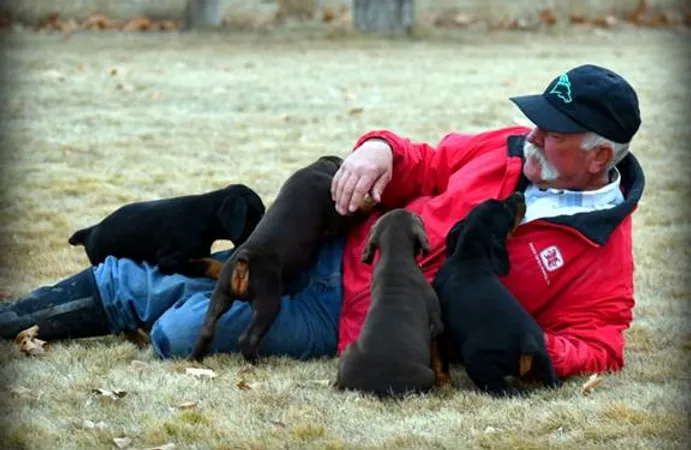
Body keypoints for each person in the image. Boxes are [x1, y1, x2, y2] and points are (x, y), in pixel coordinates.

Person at [0, 64, 644, 379]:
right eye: (534, 119)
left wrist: (522, 346)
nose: (531, 134)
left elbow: (601, 343)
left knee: (179, 328)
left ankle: (130, 289)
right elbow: (421, 161)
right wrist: (380, 148)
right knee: (214, 281)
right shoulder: (507, 146)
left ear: (596, 156)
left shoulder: (602, 251)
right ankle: (42, 310)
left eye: (551, 131)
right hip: (338, 245)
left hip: (353, 327)